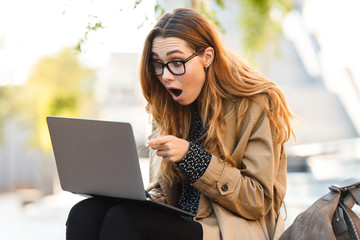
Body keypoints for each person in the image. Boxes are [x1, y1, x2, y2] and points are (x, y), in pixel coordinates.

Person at [66, 8, 295, 240]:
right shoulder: (167, 104)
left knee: (124, 220)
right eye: (158, 64)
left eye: (176, 62)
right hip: (179, 220)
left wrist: (192, 158)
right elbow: (164, 191)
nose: (165, 76)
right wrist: (134, 195)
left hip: (229, 228)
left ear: (207, 56)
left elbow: (259, 201)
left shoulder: (256, 102)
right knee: (84, 213)